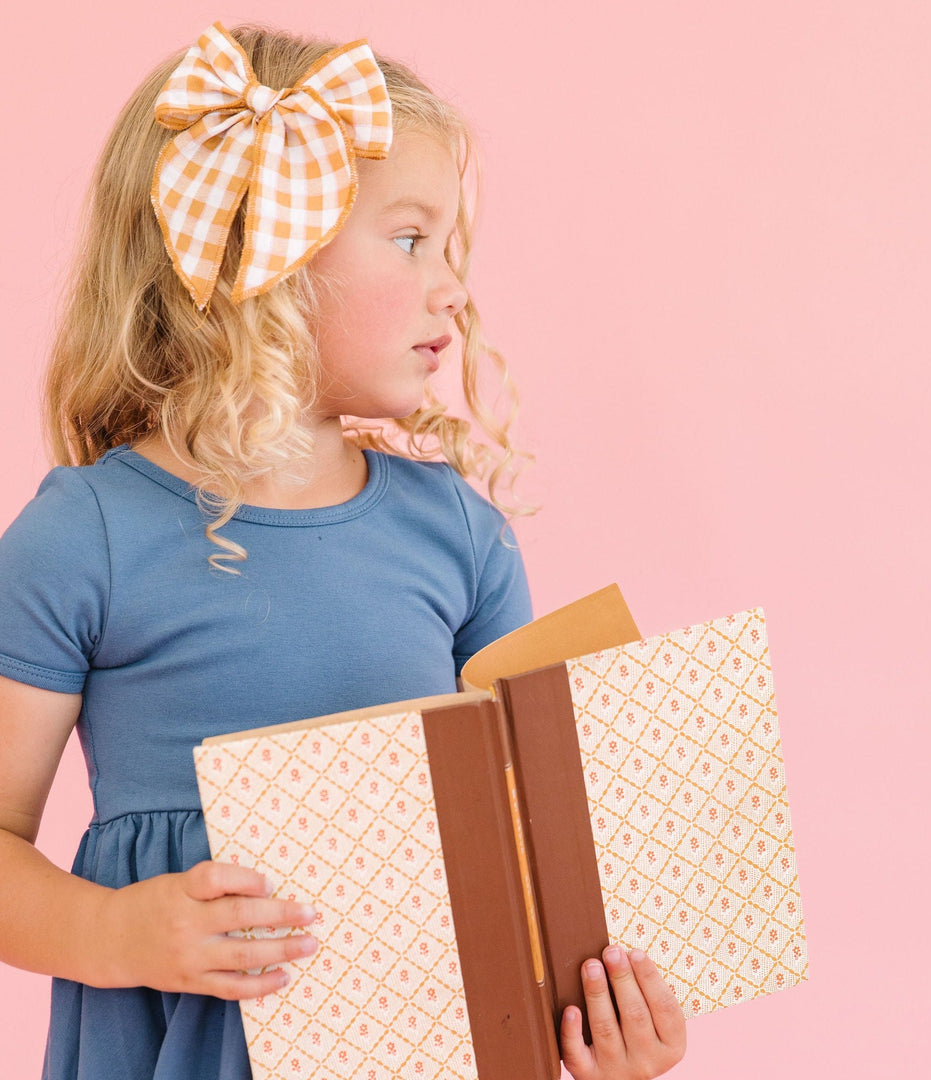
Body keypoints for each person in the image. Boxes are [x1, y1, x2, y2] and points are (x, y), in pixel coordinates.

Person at [0, 19, 687, 1080]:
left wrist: (604, 1031)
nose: (454, 287)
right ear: (258, 255)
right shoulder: (82, 536)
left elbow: (536, 848)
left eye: (453, 247)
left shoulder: (457, 533)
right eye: (411, 239)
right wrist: (121, 934)